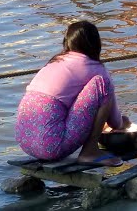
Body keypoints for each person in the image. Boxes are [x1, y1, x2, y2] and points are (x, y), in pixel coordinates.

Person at [15, 21, 130, 167]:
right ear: (95, 44)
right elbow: (115, 122)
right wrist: (123, 122)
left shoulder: (54, 62)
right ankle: (90, 152)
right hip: (51, 146)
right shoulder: (96, 68)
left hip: (25, 142)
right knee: (103, 84)